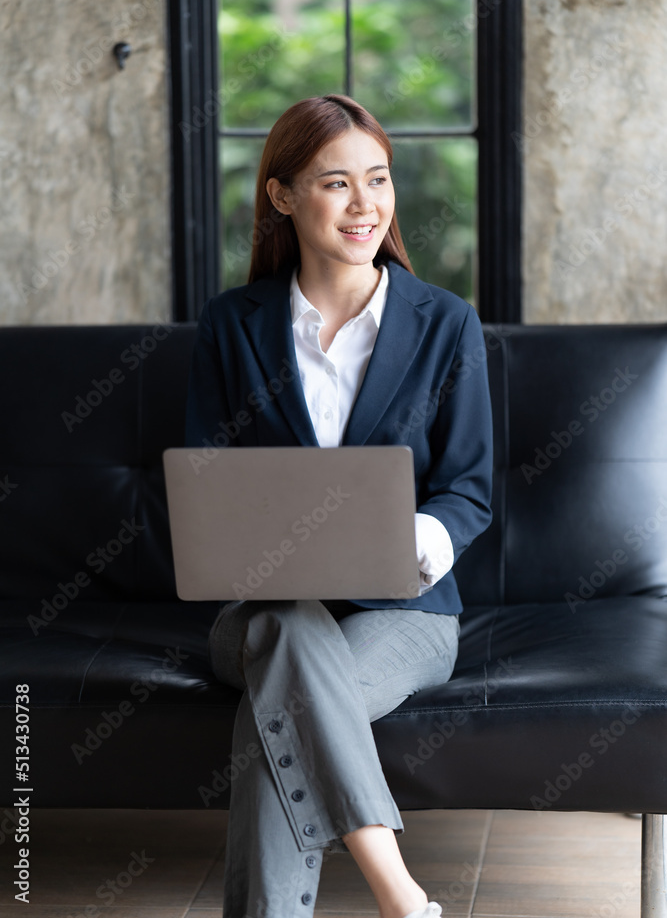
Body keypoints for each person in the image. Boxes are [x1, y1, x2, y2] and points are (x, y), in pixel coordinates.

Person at [185, 94, 493, 918]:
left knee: (277, 702)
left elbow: (467, 488)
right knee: (284, 628)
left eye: (378, 180)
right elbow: (201, 484)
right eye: (335, 183)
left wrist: (414, 541)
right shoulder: (230, 326)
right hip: (261, 606)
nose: (365, 205)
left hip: (407, 610)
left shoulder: (443, 324)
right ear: (282, 196)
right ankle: (400, 897)